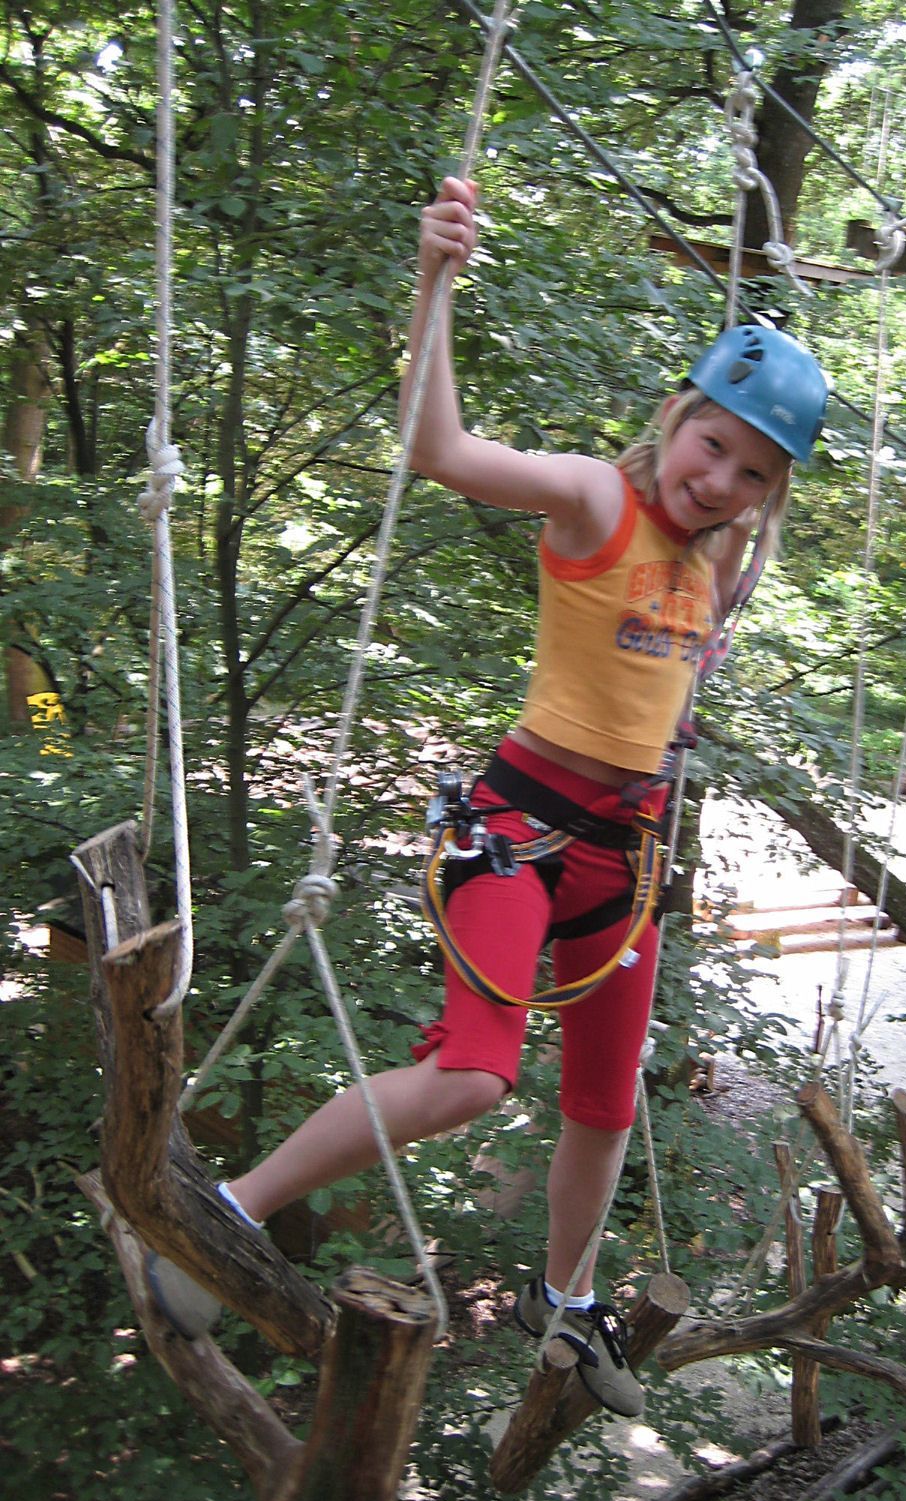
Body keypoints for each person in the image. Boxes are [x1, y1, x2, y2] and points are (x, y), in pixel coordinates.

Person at [148, 176, 828, 1418]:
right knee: (474, 1075)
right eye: (711, 442)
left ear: (767, 497)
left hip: (623, 866)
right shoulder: (593, 500)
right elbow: (443, 454)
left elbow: (699, 635)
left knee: (606, 1101)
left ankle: (563, 1302)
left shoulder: (715, 572)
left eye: (752, 472)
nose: (719, 477)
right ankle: (231, 1209)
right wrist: (433, 284)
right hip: (514, 836)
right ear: (675, 418)